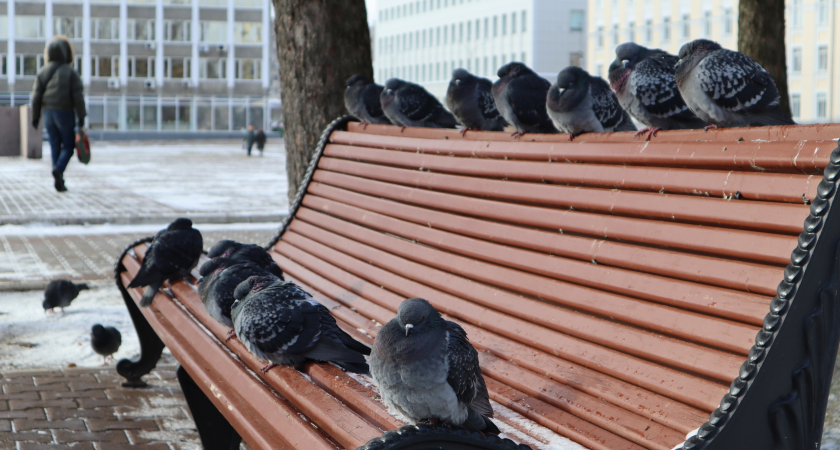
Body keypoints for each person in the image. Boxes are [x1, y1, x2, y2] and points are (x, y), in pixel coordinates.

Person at [30, 35, 86, 193]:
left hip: (48, 114)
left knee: (55, 145)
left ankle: (58, 177)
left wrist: (35, 117)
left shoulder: (43, 71)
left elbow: (35, 96)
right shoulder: (70, 72)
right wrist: (81, 117)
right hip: (65, 113)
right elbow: (78, 96)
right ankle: (59, 170)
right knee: (68, 145)